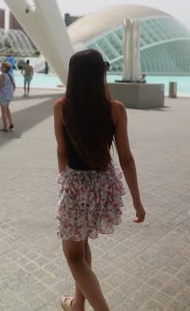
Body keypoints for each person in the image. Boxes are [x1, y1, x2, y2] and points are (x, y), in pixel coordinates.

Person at [54, 49, 145, 311]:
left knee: (73, 257)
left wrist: (65, 183)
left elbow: (62, 151)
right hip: (104, 187)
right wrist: (138, 202)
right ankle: (76, 305)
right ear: (100, 74)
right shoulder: (116, 109)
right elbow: (126, 158)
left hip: (75, 185)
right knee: (80, 247)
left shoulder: (62, 107)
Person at [0, 61, 16, 132]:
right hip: (9, 95)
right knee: (7, 108)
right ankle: (10, 123)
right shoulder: (10, 74)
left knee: (3, 112)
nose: (1, 68)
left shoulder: (2, 75)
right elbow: (13, 84)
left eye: (2, 67)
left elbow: (0, 86)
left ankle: (5, 127)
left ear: (6, 68)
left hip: (4, 95)